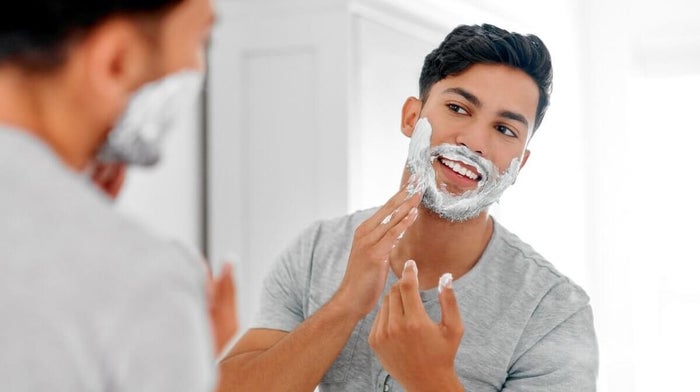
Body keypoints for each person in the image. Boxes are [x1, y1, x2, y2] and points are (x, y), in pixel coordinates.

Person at [217, 23, 598, 391]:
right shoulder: (317, 250)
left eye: (504, 130)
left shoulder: (554, 310)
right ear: (411, 117)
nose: (474, 142)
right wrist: (346, 305)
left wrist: (430, 380)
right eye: (458, 108)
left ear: (519, 165)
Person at [0, 0, 238, 390]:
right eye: (200, 40)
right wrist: (204, 361)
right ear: (117, 62)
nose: (198, 68)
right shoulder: (145, 281)